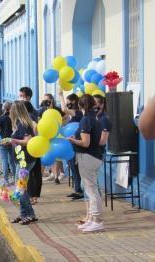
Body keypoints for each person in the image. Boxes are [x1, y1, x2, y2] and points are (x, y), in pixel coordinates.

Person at [68, 94, 104, 233]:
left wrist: (72, 140)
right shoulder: (94, 118)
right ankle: (91, 219)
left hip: (87, 157)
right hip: (93, 157)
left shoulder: (86, 120)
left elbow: (85, 142)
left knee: (91, 190)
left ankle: (97, 220)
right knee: (90, 189)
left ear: (80, 105)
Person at [9, 101, 38, 225]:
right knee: (20, 187)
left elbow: (27, 141)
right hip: (21, 159)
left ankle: (30, 214)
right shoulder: (20, 124)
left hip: (25, 160)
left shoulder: (23, 124)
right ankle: (24, 214)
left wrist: (12, 140)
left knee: (20, 187)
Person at [59, 90, 84, 200]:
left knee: (76, 168)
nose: (67, 103)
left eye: (68, 102)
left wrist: (60, 96)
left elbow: (64, 109)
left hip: (75, 144)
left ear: (74, 101)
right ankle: (77, 190)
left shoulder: (78, 113)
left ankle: (80, 191)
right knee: (73, 168)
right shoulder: (73, 115)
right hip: (70, 145)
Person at [38, 94, 65, 185]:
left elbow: (63, 118)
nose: (46, 102)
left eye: (48, 100)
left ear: (52, 100)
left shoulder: (57, 109)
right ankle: (40, 177)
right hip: (45, 135)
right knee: (43, 155)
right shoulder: (42, 110)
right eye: (44, 100)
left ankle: (56, 176)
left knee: (55, 156)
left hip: (56, 134)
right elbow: (39, 122)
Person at [0, 101, 16, 186]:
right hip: (12, 141)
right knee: (12, 161)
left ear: (4, 108)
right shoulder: (13, 118)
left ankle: (5, 180)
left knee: (4, 161)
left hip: (3, 141)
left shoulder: (0, 118)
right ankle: (15, 178)